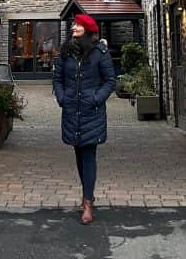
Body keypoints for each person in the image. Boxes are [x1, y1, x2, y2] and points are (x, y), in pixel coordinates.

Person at [52, 14, 116, 225]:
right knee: (79, 152)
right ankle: (87, 194)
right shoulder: (66, 52)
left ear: (88, 29)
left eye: (78, 24)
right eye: (74, 24)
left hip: (91, 112)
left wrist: (96, 99)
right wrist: (62, 98)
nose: (74, 27)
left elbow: (109, 81)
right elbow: (58, 79)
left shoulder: (100, 52)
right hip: (72, 110)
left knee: (88, 153)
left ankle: (88, 202)